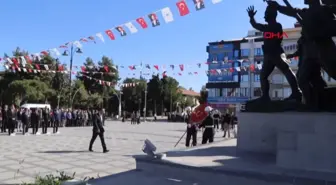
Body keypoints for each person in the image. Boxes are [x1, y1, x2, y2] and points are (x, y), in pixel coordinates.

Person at [246, 5, 302, 102]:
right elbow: (256, 25)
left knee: (286, 70)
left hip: (275, 53)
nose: (264, 17)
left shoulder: (276, 26)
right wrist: (251, 18)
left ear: (271, 15)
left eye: (266, 15)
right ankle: (265, 97)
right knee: (264, 75)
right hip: (269, 55)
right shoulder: (268, 27)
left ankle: (296, 92)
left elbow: (278, 38)